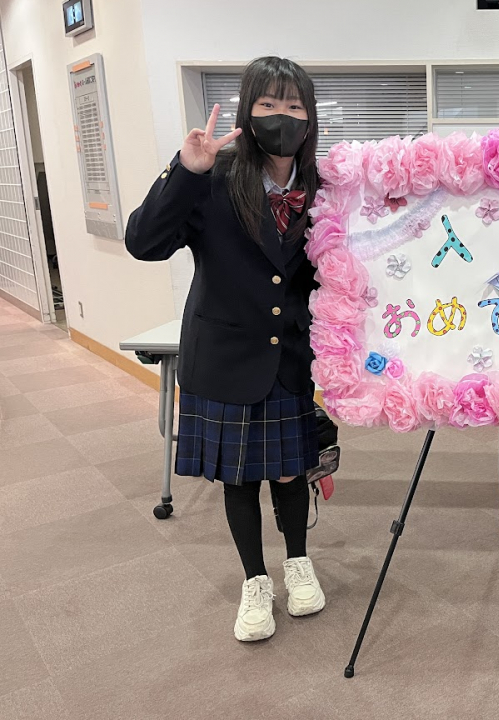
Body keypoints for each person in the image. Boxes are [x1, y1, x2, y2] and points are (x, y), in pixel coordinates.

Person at [126, 56, 325, 642]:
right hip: (225, 356)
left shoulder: (323, 188)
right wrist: (184, 171)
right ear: (247, 111)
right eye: (269, 104)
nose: (282, 117)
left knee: (290, 472)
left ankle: (298, 562)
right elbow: (143, 242)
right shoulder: (213, 177)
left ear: (310, 118)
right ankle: (254, 580)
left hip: (290, 357)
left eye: (294, 106)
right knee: (239, 481)